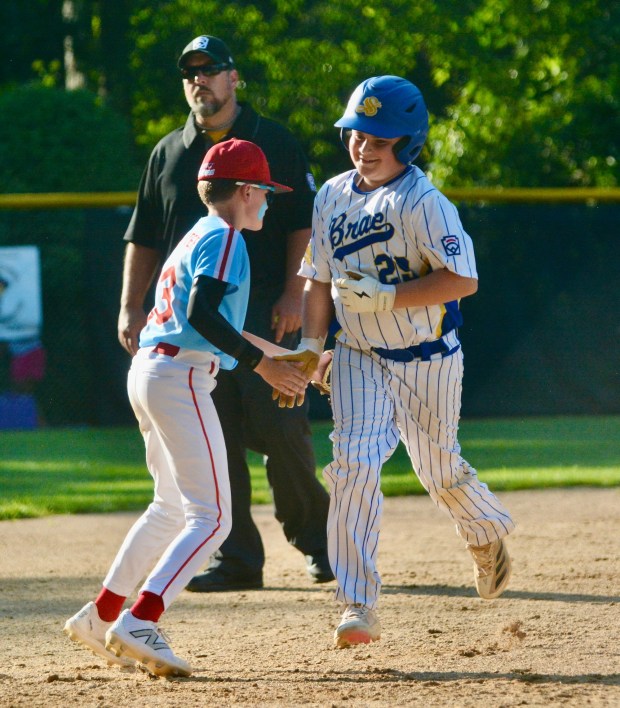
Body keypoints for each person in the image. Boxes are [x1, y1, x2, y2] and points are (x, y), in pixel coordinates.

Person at [286, 75, 515, 648]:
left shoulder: (424, 203)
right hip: (359, 354)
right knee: (354, 466)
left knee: (439, 470)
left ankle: (485, 532)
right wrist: (313, 348)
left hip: (427, 357)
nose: (364, 146)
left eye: (379, 139)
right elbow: (317, 280)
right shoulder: (331, 196)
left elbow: (465, 278)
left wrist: (390, 296)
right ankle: (355, 604)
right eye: (357, 134)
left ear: (408, 144)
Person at [64, 138, 308, 676]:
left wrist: (285, 357)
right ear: (244, 191)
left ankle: (101, 613)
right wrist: (262, 366)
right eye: (264, 191)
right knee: (214, 517)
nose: (267, 201)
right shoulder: (226, 237)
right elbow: (201, 315)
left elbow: (218, 323)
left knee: (171, 508)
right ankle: (141, 619)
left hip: (154, 370)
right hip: (180, 377)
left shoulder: (199, 234)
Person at [117, 35, 333, 591]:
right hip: (197, 325)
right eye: (190, 71)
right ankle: (236, 557)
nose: (200, 80)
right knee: (217, 438)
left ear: (234, 77)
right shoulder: (167, 152)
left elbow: (301, 223)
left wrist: (293, 291)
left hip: (262, 311)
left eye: (210, 69)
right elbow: (142, 236)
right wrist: (129, 306)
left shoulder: (271, 141)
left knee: (283, 431)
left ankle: (320, 544)